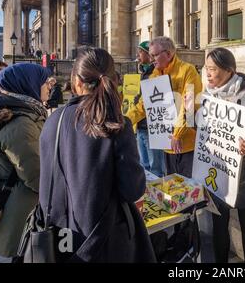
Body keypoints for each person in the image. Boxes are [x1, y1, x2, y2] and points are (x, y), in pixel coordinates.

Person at [38, 47, 156, 262]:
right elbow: (132, 190)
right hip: (108, 240)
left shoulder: (53, 121)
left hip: (63, 238)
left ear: (76, 81)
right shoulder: (115, 123)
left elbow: (47, 188)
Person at [201, 47, 245, 263]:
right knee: (219, 223)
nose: (208, 74)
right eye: (206, 69)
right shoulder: (207, 94)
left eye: (213, 69)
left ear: (228, 70)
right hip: (218, 171)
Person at [0, 63, 51, 260]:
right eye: (44, 81)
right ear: (28, 84)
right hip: (21, 218)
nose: (49, 85)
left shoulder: (26, 114)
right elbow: (37, 176)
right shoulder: (21, 123)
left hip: (24, 213)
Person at [126, 36, 202, 178]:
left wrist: (177, 134)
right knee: (173, 188)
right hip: (167, 144)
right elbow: (143, 106)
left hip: (187, 145)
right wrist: (124, 121)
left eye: (154, 55)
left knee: (190, 190)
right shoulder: (153, 76)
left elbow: (189, 106)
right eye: (150, 55)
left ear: (168, 54)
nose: (151, 58)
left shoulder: (188, 70)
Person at [131, 41, 166, 176]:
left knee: (156, 169)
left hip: (152, 128)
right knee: (144, 167)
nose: (138, 55)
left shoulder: (156, 72)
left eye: (140, 52)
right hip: (141, 126)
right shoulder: (144, 72)